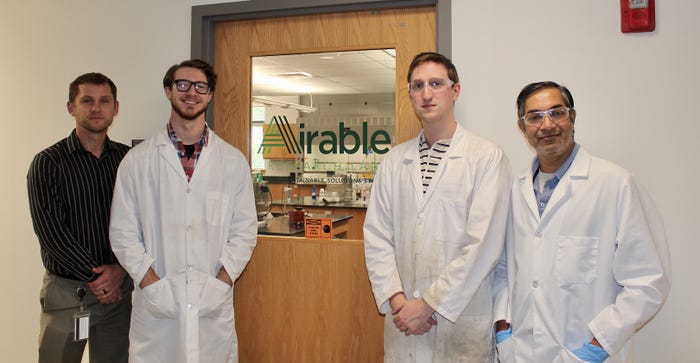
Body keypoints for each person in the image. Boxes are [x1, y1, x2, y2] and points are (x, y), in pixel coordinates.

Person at [493, 81, 671, 362]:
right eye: (535, 117)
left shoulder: (615, 184)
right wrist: (502, 327)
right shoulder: (515, 191)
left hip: (586, 354)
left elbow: (648, 282)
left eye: (557, 112)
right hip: (522, 352)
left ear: (572, 118)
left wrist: (595, 348)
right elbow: (503, 269)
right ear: (522, 127)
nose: (547, 124)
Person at [363, 52, 511, 362]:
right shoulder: (394, 161)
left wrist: (427, 305)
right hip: (403, 321)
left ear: (455, 91)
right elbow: (377, 237)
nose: (426, 94)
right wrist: (398, 301)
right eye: (417, 86)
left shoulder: (486, 157)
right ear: (410, 95)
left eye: (436, 83)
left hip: (459, 322)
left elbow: (483, 246)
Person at [109, 59, 257, 363]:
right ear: (168, 90)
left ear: (210, 95)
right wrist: (151, 284)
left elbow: (244, 232)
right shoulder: (137, 162)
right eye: (183, 85)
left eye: (201, 86)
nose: (192, 92)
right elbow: (123, 234)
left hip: (211, 303)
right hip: (158, 303)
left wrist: (221, 282)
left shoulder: (232, 161)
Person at [27, 72, 132, 363]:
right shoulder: (48, 162)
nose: (96, 108)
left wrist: (120, 271)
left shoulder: (129, 161)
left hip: (117, 296)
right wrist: (97, 278)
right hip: (67, 294)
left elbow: (143, 224)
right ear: (71, 107)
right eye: (87, 101)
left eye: (104, 101)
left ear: (116, 108)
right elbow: (51, 233)